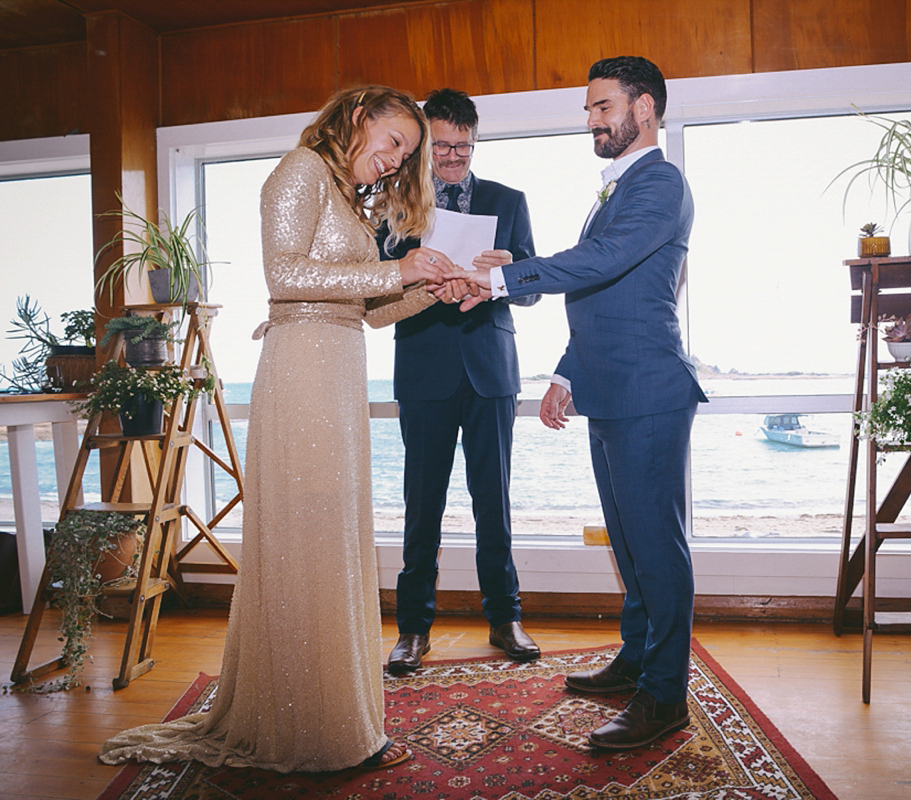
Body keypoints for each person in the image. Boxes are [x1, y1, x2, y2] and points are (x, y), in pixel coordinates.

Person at [99, 85, 457, 773]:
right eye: (392, 143)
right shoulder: (299, 171)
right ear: (357, 118)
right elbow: (285, 275)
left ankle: (333, 720)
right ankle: (307, 729)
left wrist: (424, 291)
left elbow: (365, 311)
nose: (393, 161)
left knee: (330, 543)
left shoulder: (348, 198)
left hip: (338, 368)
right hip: (302, 374)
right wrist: (397, 265)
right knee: (307, 542)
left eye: (405, 154)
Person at [446, 56, 705, 751]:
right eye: (589, 109)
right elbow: (605, 296)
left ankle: (664, 698)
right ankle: (636, 658)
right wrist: (565, 374)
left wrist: (508, 276)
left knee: (657, 548)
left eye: (603, 107)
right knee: (629, 542)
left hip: (649, 391)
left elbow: (601, 262)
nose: (592, 120)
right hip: (610, 389)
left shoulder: (659, 183)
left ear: (644, 108)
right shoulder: (616, 189)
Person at [377, 88, 541, 673]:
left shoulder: (509, 200)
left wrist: (508, 274)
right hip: (423, 372)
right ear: (424, 142)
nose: (452, 157)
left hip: (491, 371)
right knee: (422, 505)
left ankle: (506, 619)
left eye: (463, 147)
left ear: (475, 141)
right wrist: (417, 278)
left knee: (493, 503)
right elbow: (375, 288)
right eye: (441, 146)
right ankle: (413, 630)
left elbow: (535, 286)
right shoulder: (395, 203)